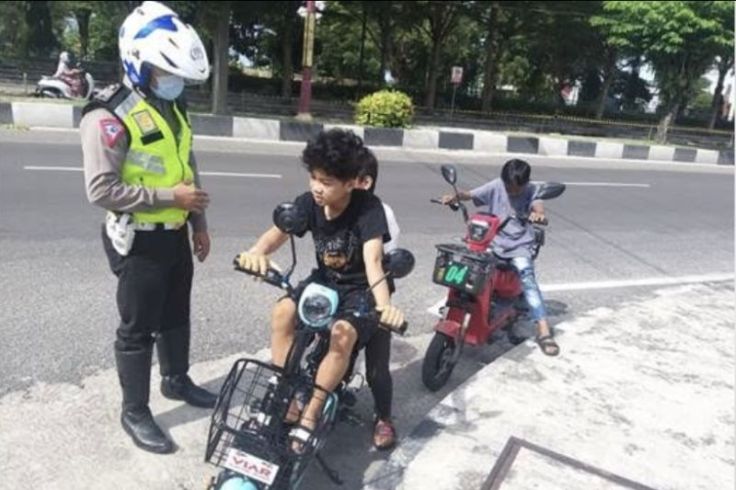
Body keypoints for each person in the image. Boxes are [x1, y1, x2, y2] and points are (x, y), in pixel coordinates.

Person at [80, 1, 217, 455]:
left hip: (176, 233)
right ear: (138, 63)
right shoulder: (107, 115)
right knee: (138, 327)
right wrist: (169, 199)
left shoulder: (173, 108)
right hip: (137, 238)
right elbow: (101, 189)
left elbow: (187, 165)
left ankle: (176, 380)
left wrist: (197, 221)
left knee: (177, 313)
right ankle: (134, 411)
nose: (172, 80)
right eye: (163, 70)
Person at [236, 129, 405, 453]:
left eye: (326, 182)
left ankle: (312, 414)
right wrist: (256, 252)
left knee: (345, 336)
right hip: (324, 282)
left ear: (352, 182)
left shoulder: (369, 209)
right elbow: (278, 232)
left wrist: (384, 307)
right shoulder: (308, 203)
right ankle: (287, 397)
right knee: (282, 310)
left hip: (360, 290)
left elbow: (372, 260)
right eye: (313, 177)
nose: (316, 187)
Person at [441, 158, 560, 356]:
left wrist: (537, 215)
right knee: (467, 266)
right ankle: (459, 311)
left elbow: (538, 208)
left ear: (525, 183)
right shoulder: (497, 185)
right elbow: (470, 195)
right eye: (508, 186)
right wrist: (455, 197)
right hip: (492, 241)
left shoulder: (533, 191)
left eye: (516, 188)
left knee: (527, 279)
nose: (512, 191)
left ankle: (543, 329)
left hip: (519, 245)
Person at [354, 147, 399, 449]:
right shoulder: (331, 206)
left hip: (373, 296)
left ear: (364, 182)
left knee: (376, 369)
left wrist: (382, 307)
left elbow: (381, 264)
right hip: (339, 295)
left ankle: (384, 416)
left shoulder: (382, 215)